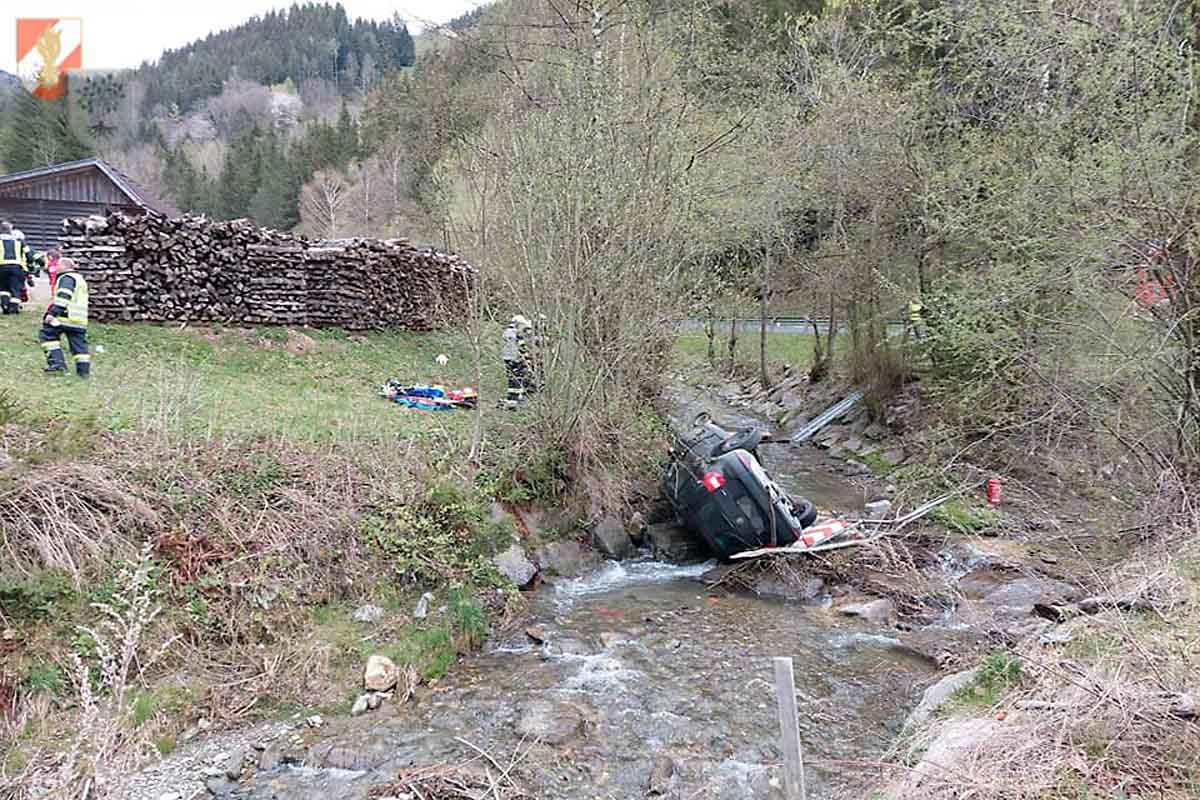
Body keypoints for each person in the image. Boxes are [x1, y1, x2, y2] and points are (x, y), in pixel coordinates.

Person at [40, 261, 91, 378]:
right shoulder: (80, 279)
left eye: (58, 265)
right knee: (79, 347)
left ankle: (57, 365)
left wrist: (52, 313)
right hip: (79, 320)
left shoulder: (66, 278)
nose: (56, 267)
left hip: (64, 317)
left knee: (48, 336)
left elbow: (63, 297)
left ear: (65, 266)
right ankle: (83, 372)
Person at [502, 314, 532, 406]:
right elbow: (522, 347)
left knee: (511, 378)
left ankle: (511, 398)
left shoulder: (506, 332)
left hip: (507, 358)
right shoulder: (517, 334)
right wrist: (527, 358)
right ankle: (516, 399)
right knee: (518, 378)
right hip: (516, 359)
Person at [0, 221, 27, 314]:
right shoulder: (19, 242)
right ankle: (13, 309)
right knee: (15, 288)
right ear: (10, 230)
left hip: (1, 267)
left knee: (3, 288)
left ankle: (5, 306)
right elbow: (29, 253)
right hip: (16, 267)